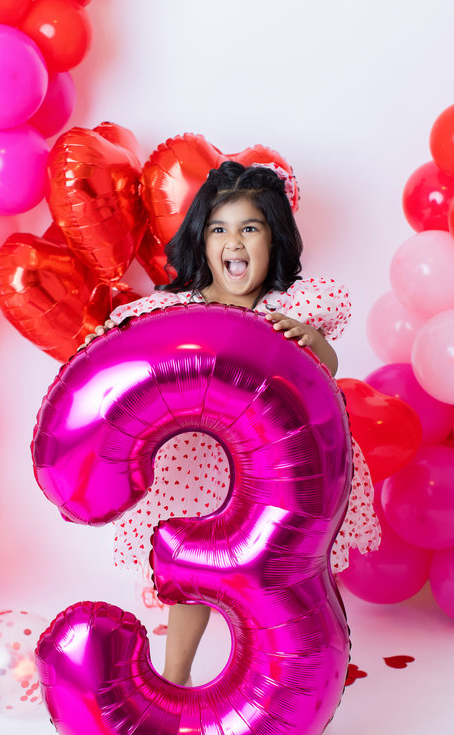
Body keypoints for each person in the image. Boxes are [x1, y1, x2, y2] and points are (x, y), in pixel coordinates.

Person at [81, 160, 380, 687]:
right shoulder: (175, 311)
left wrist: (313, 343)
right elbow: (129, 365)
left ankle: (300, 687)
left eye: (250, 228)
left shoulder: (289, 307)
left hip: (281, 473)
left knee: (288, 578)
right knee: (191, 571)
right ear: (202, 241)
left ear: (274, 239)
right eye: (219, 229)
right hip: (199, 471)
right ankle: (175, 677)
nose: (234, 242)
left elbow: (326, 371)